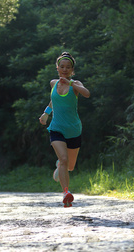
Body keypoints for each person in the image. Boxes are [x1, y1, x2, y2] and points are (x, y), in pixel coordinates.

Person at [39, 52, 90, 208]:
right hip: (57, 128)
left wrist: (71, 83)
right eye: (62, 67)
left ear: (72, 70)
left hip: (74, 130)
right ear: (57, 68)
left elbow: (87, 94)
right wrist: (46, 114)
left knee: (70, 166)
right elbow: (54, 100)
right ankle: (66, 193)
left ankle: (59, 168)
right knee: (63, 159)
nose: (65, 69)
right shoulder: (53, 83)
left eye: (68, 67)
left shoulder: (76, 84)